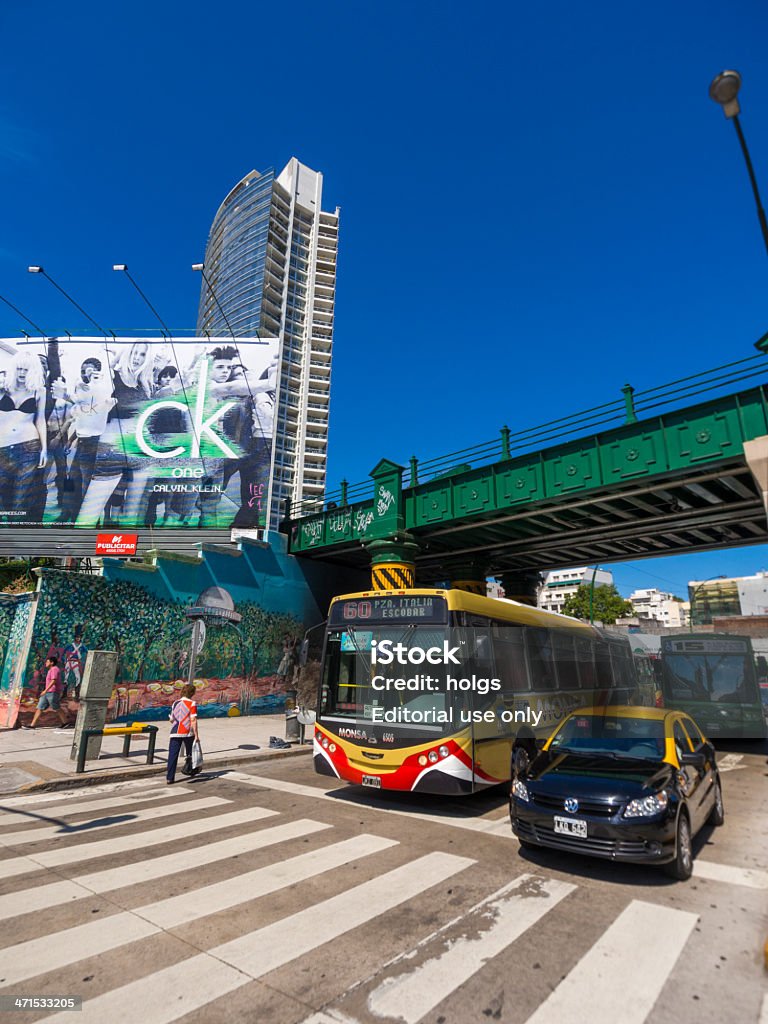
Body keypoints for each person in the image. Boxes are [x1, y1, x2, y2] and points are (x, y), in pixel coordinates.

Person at [75, 342, 155, 527]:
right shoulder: (112, 377)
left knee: (132, 511)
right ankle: (77, 551)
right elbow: (87, 406)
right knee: (90, 511)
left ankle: (124, 553)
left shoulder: (145, 383)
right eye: (134, 352)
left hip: (140, 449)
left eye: (142, 354)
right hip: (112, 446)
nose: (137, 357)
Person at [0, 352, 48, 524]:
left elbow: (40, 420)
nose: (21, 373)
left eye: (26, 369)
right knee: (4, 497)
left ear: (33, 371)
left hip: (29, 447)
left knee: (21, 498)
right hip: (2, 449)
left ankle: (17, 544)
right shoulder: (4, 387)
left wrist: (44, 449)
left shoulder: (39, 391)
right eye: (19, 368)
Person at [23, 656, 69, 729]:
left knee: (56, 707)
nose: (46, 663)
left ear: (52, 662)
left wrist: (45, 690)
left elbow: (53, 680)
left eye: (47, 662)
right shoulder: (50, 670)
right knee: (40, 707)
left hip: (52, 692)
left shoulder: (54, 669)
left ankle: (65, 722)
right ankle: (32, 725)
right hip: (47, 692)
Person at [167, 683, 199, 784]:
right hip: (187, 732)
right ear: (192, 693)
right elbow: (193, 719)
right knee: (191, 752)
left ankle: (170, 778)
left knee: (172, 755)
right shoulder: (192, 704)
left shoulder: (175, 703)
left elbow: (171, 719)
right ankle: (191, 770)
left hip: (174, 732)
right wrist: (197, 735)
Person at [63, 627, 88, 701]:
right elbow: (64, 652)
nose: (78, 638)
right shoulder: (70, 645)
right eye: (77, 637)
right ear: (75, 638)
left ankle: (76, 695)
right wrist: (64, 660)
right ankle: (64, 695)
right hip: (69, 661)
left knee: (78, 678)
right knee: (66, 678)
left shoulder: (82, 646)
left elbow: (87, 652)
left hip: (76, 662)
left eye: (79, 637)